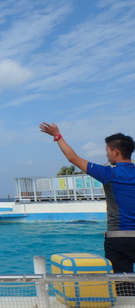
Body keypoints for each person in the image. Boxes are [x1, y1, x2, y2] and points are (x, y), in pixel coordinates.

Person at [39, 122, 135, 295]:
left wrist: (57, 135)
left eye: (107, 150)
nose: (106, 154)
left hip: (119, 239)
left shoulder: (109, 173)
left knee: (122, 286)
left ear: (115, 152)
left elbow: (73, 158)